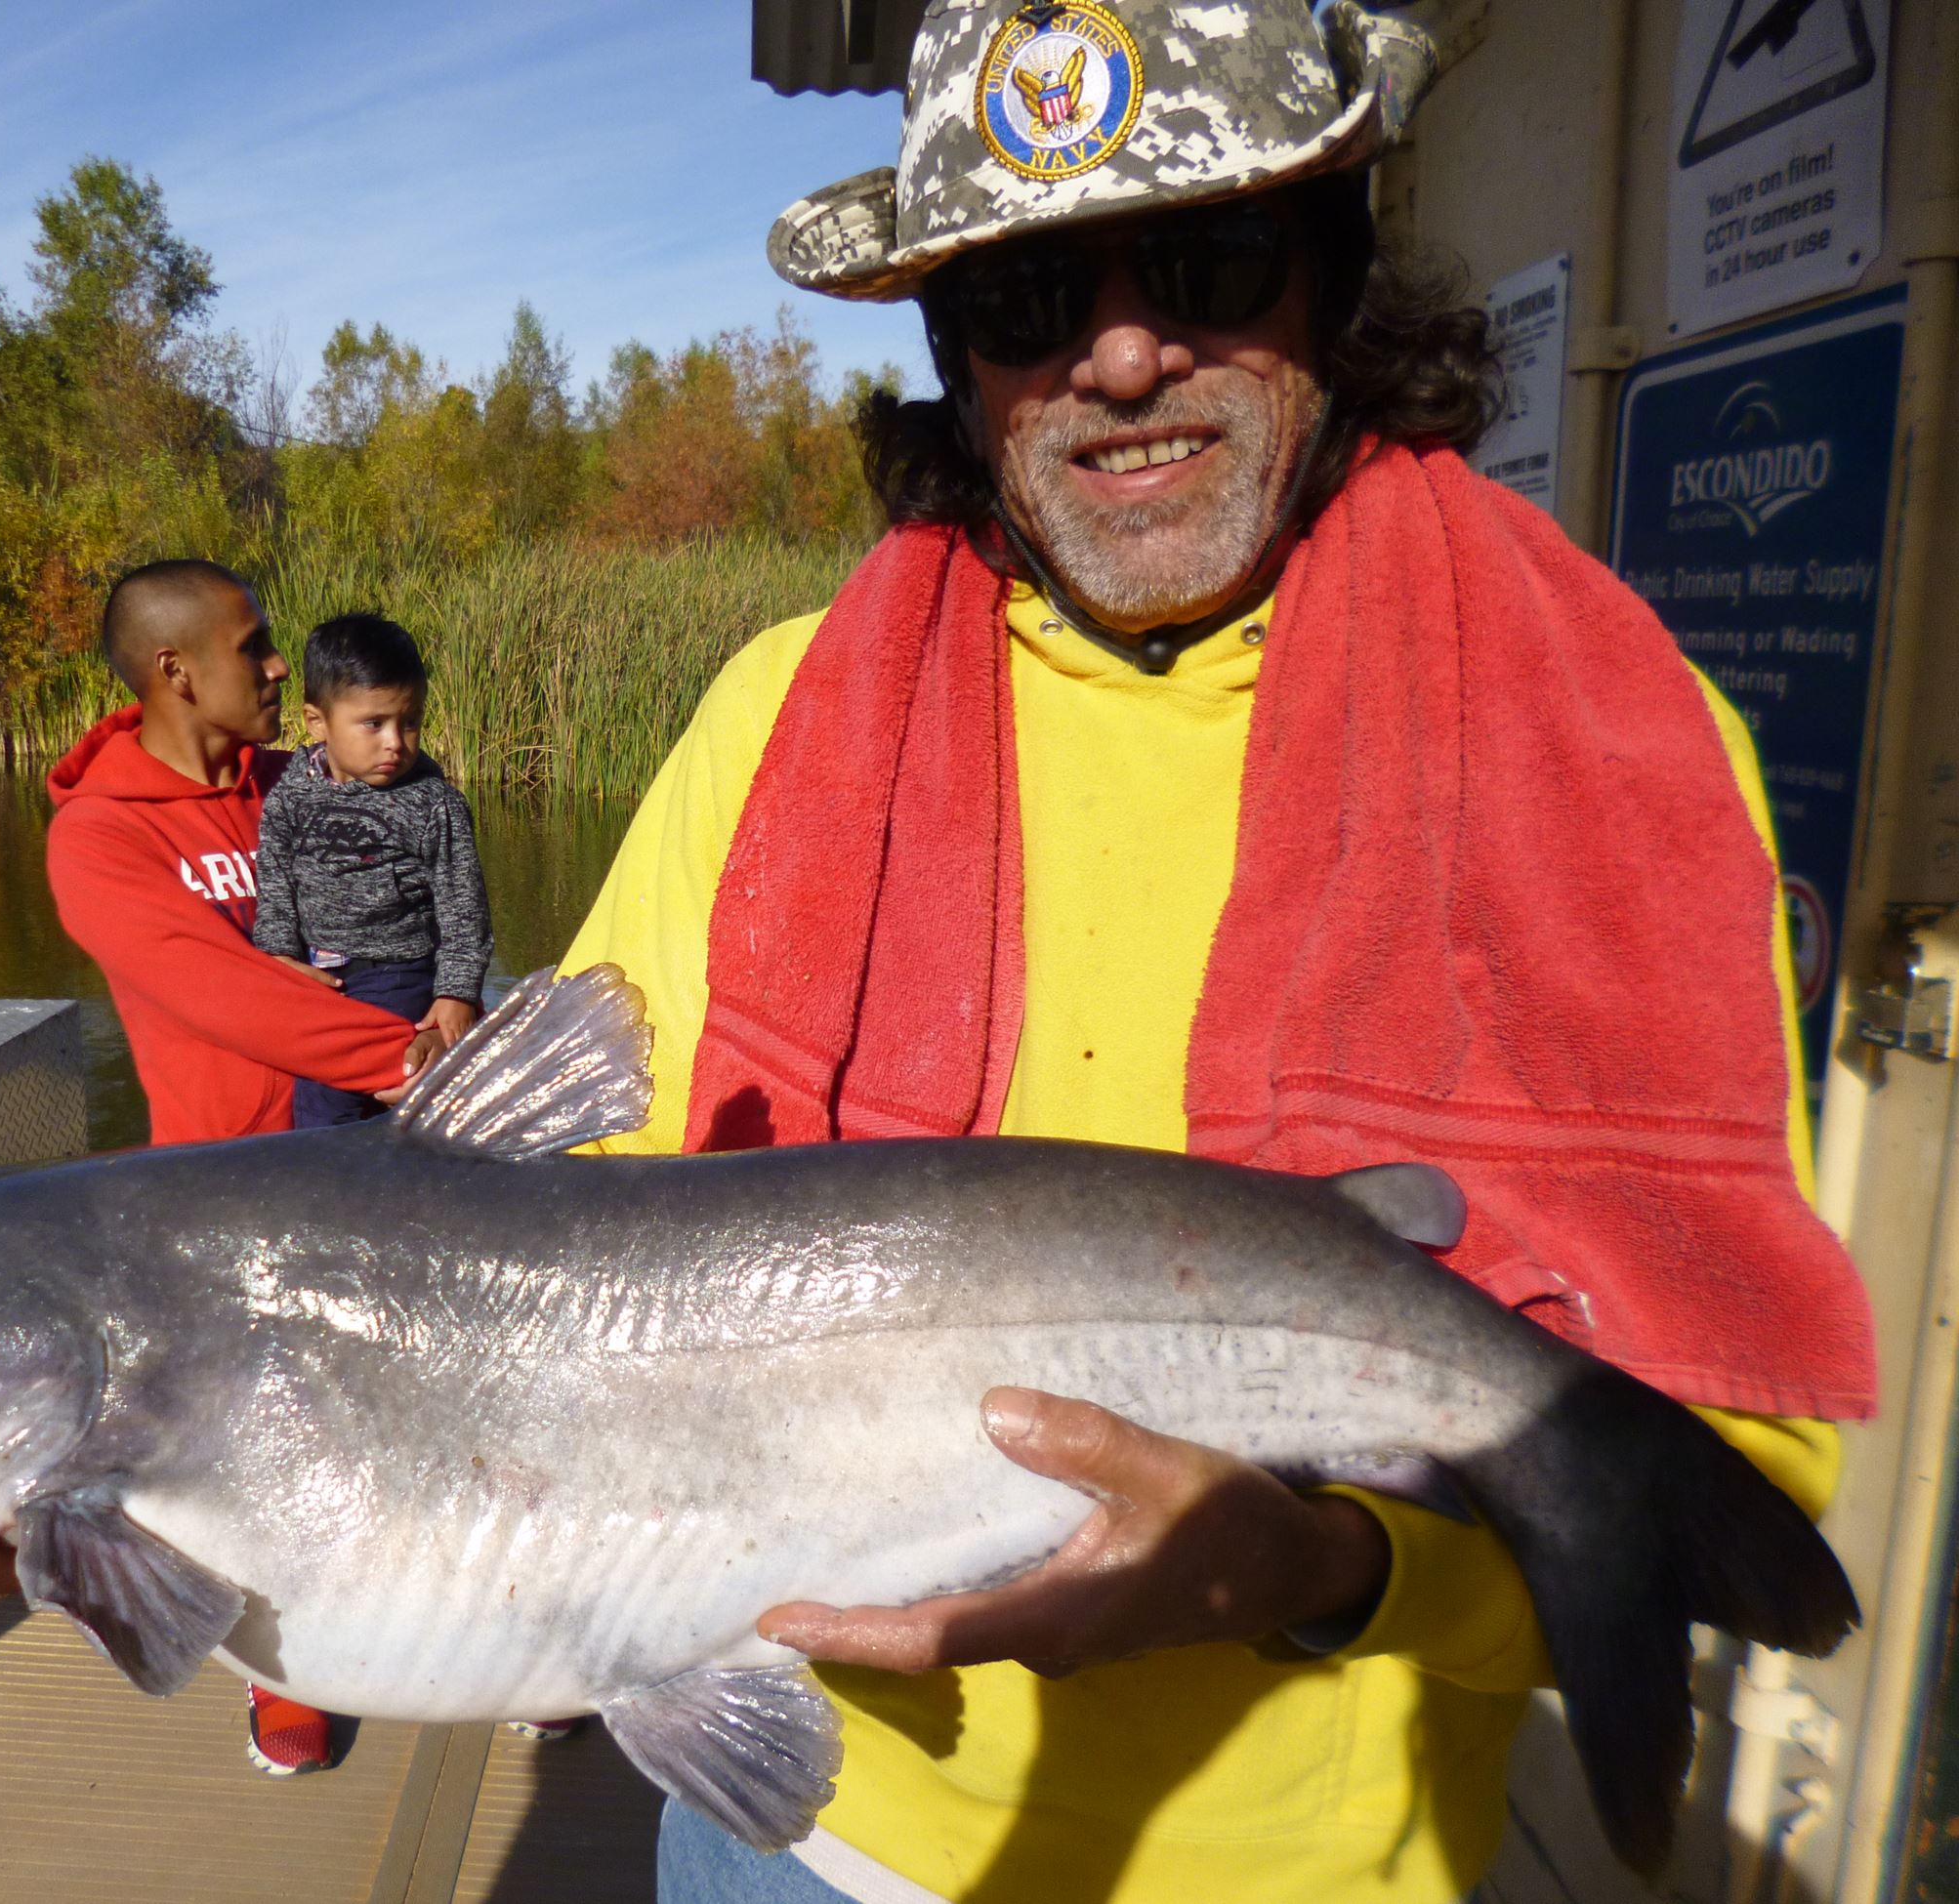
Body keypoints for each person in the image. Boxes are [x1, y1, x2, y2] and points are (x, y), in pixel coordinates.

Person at [558, 3, 1875, 1899]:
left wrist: (1331, 1567)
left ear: (1332, 276)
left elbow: (1719, 1439)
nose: (1117, 355)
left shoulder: (1609, 746)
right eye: (1024, 295)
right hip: (806, 1836)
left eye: (1207, 261)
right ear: (954, 357)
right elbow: (568, 1241)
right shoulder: (774, 720)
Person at [0, 557, 446, 1780]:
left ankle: (501, 1636)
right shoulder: (103, 837)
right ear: (175, 669)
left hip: (378, 1163)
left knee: (410, 1421)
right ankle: (282, 1673)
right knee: (253, 1461)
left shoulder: (301, 783)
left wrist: (457, 1008)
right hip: (221, 1201)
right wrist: (428, 1063)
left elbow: (413, 902)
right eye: (253, 645)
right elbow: (227, 995)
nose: (276, 665)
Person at [255, 613, 491, 1127]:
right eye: (373, 723)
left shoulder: (433, 804)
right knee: (311, 1096)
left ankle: (341, 1173)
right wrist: (277, 957)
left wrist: (457, 993)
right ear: (317, 722)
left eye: (410, 722)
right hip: (317, 976)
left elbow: (463, 911)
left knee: (331, 1101)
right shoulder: (290, 796)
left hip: (397, 974)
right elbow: (275, 886)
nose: (395, 742)